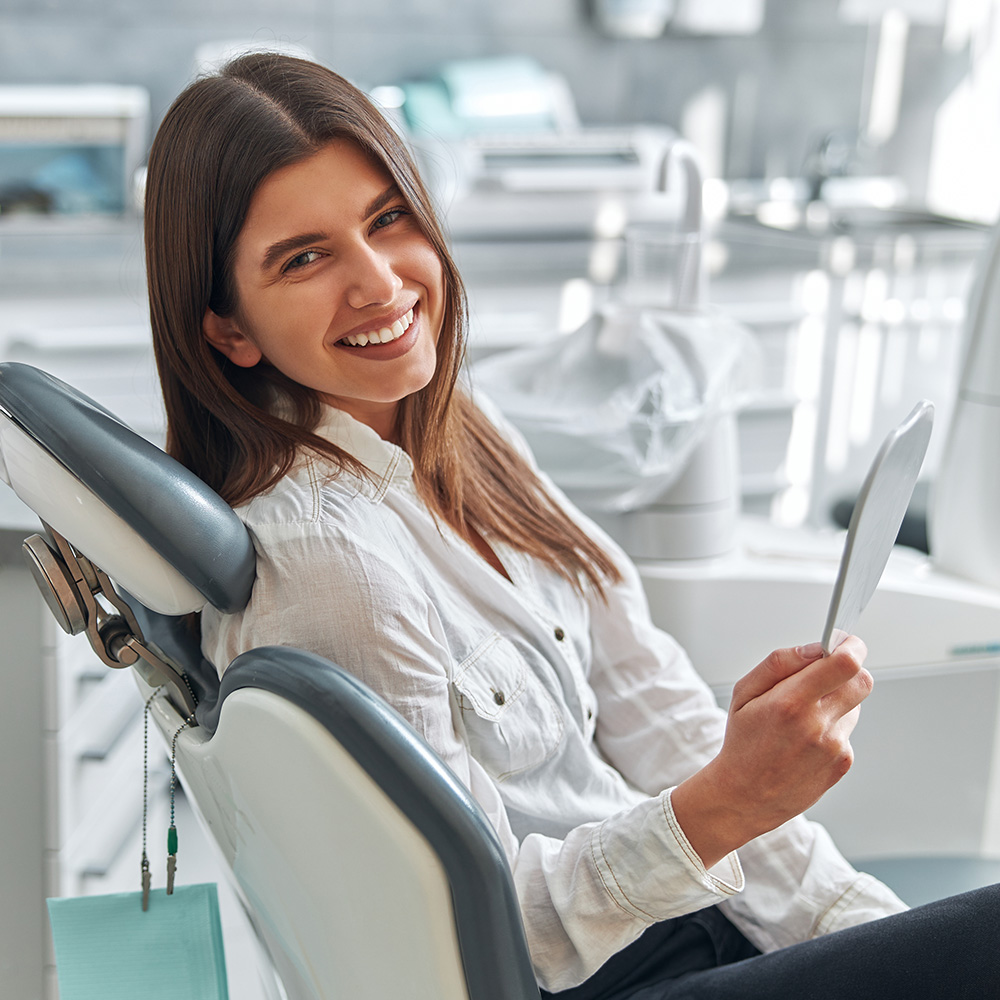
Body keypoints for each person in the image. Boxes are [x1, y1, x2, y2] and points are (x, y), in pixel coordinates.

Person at [144, 52, 999, 998]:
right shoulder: (329, 565)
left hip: (697, 922)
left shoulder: (463, 428)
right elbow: (464, 939)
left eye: (388, 219)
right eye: (304, 258)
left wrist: (857, 925)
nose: (380, 283)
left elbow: (653, 704)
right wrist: (725, 804)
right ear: (229, 329)